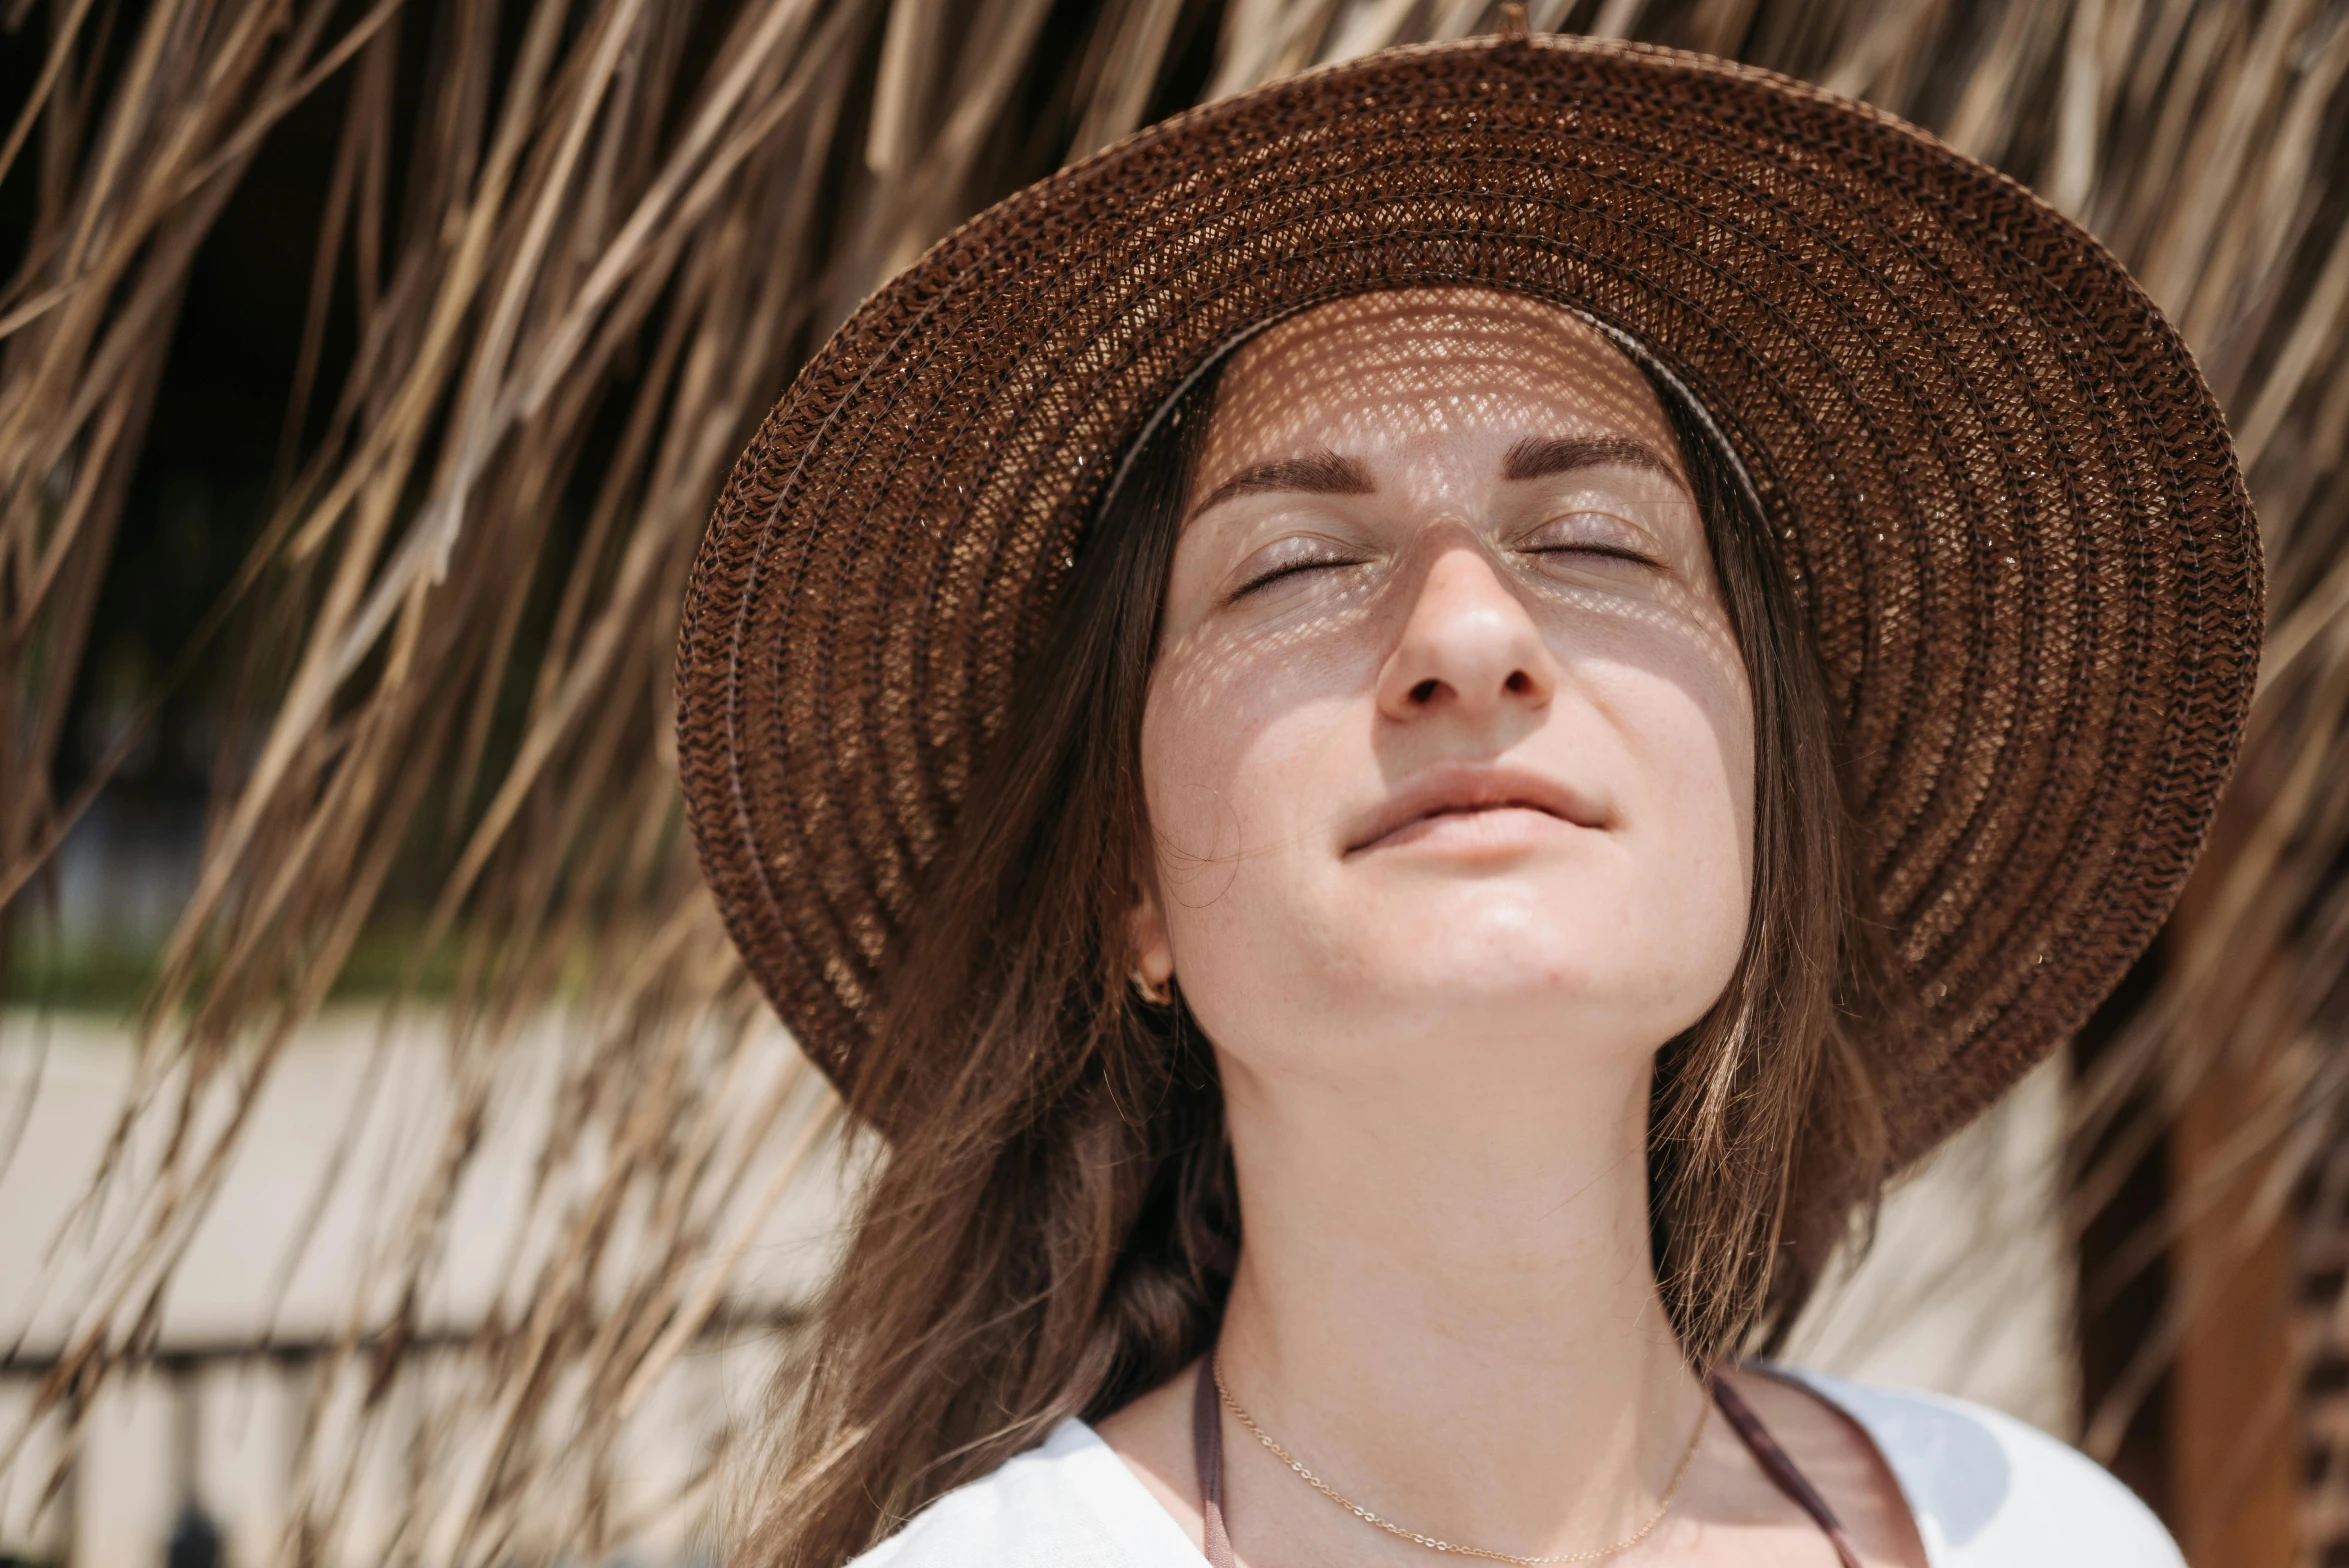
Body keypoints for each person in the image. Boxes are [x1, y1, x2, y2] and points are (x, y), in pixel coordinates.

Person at [674, 21, 2262, 1568]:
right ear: (1127, 890)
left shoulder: (2047, 1535)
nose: (1469, 635)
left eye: (1596, 543)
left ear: (1758, 798)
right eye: (1293, 566)